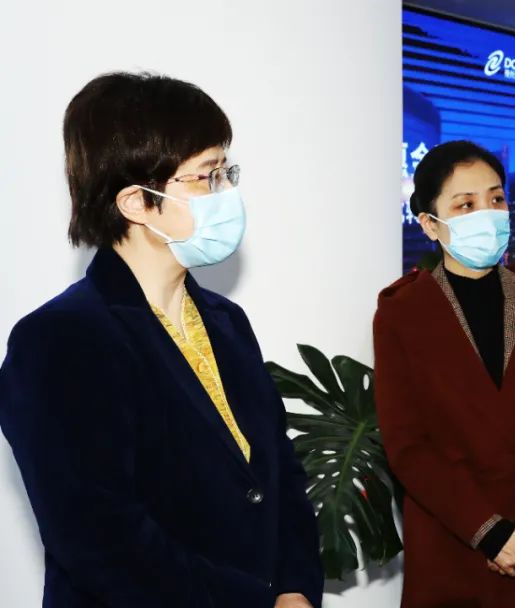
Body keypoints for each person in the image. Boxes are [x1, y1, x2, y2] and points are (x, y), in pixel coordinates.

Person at [0, 72, 323, 607]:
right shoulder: (58, 339)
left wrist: (294, 589)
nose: (226, 193)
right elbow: (102, 542)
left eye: (226, 172)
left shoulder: (227, 320)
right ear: (136, 202)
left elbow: (278, 477)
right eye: (206, 177)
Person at [373, 140, 515, 607]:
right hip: (453, 537)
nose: (487, 215)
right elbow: (407, 445)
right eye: (466, 205)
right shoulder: (402, 315)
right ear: (430, 224)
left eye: (496, 199)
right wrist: (488, 531)